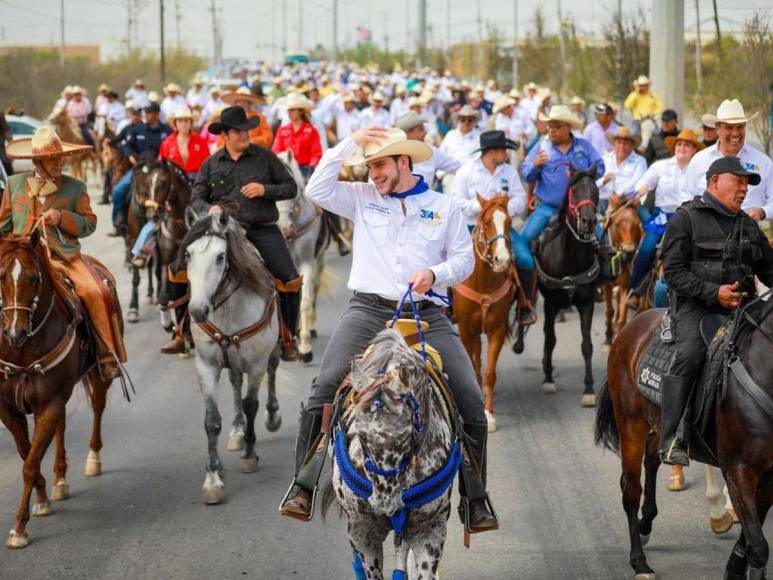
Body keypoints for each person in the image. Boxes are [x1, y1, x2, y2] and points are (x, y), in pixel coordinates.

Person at [278, 125, 499, 535]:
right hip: (367, 310)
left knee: (470, 398)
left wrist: (435, 273)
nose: (372, 173)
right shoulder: (362, 198)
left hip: (426, 315)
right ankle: (303, 485)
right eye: (369, 165)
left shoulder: (444, 207)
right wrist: (352, 141)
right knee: (324, 386)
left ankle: (475, 497)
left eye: (379, 164)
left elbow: (465, 261)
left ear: (404, 161)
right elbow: (317, 188)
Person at [659, 156, 773, 465]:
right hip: (696, 307)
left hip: (745, 309)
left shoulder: (748, 225)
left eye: (746, 185)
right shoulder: (686, 218)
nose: (743, 190)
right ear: (714, 182)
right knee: (692, 354)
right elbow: (673, 272)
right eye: (737, 182)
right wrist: (713, 292)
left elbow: (769, 269)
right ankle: (672, 437)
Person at [1, 127, 127, 380]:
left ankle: (106, 355)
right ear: (38, 161)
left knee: (97, 290)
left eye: (60, 157)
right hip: (22, 257)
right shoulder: (14, 184)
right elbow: (3, 226)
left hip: (64, 258)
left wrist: (62, 218)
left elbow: (89, 223)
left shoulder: (75, 187)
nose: (60, 162)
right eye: (53, 158)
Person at [190, 106, 302, 362]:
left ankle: (288, 336)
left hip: (262, 229)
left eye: (246, 130)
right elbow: (195, 198)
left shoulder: (265, 157)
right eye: (237, 132)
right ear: (225, 136)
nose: (244, 135)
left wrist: (265, 190)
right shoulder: (211, 164)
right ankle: (182, 332)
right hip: (224, 232)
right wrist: (210, 208)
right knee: (184, 267)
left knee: (290, 278)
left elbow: (290, 188)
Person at [518, 106, 605, 309]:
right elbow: (525, 173)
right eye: (549, 127)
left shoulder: (584, 146)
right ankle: (525, 287)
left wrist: (579, 173)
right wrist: (535, 166)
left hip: (579, 208)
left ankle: (600, 282)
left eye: (556, 127)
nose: (551, 131)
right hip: (549, 207)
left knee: (602, 239)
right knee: (525, 239)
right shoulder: (542, 147)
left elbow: (600, 167)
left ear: (567, 127)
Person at [449, 130, 535, 324]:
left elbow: (520, 198)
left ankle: (524, 306)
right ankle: (449, 306)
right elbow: (455, 199)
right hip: (471, 226)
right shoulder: (466, 171)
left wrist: (501, 211)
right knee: (450, 258)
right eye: (503, 150)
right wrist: (481, 208)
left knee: (526, 260)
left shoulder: (509, 172)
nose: (506, 154)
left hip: (501, 228)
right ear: (491, 152)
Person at [625, 129, 704, 310]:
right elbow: (646, 180)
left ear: (694, 150)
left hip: (688, 218)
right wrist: (643, 188)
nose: (682, 147)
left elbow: (703, 192)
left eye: (687, 144)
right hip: (662, 216)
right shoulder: (660, 166)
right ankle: (634, 292)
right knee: (646, 250)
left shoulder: (699, 170)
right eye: (679, 144)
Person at [683, 99, 773, 222]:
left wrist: (762, 212)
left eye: (740, 127)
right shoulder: (699, 160)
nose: (735, 133)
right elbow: (686, 196)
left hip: (749, 235)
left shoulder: (764, 162)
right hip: (705, 235)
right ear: (717, 129)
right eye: (729, 127)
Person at [108, 103, 173, 236]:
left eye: (149, 113)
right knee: (118, 190)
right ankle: (118, 221)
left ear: (156, 114)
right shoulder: (138, 129)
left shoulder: (167, 131)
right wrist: (130, 156)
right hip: (139, 169)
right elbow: (127, 146)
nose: (146, 116)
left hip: (160, 170)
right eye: (145, 113)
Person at [396, 111, 460, 187]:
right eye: (420, 130)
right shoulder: (392, 155)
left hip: (426, 197)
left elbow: (455, 166)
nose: (426, 132)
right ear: (407, 133)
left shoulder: (431, 152)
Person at [271, 93, 322, 179]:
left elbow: (316, 153)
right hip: (286, 169)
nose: (289, 113)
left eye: (292, 110)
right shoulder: (282, 130)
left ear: (301, 112)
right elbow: (276, 151)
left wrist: (312, 166)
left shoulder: (311, 131)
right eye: (288, 110)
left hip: (305, 170)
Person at [597, 127, 647, 213]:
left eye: (626, 143)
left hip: (628, 202)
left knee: (648, 222)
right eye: (619, 142)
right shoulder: (604, 159)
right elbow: (594, 182)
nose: (622, 147)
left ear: (632, 146)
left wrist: (618, 194)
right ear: (614, 144)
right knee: (589, 221)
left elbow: (636, 182)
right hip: (604, 199)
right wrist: (603, 180)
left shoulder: (640, 161)